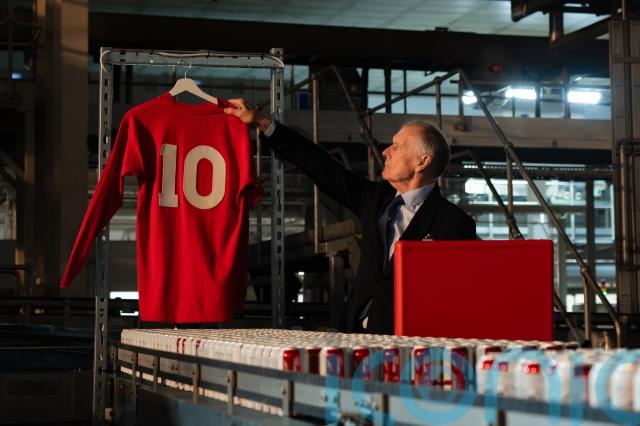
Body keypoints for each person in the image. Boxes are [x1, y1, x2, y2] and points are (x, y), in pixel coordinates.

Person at [224, 99, 477, 335]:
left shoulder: (454, 224)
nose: (386, 151)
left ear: (422, 162)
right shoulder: (376, 199)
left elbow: (456, 296)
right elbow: (321, 166)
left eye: (398, 146)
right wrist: (262, 121)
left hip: (408, 340)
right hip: (356, 333)